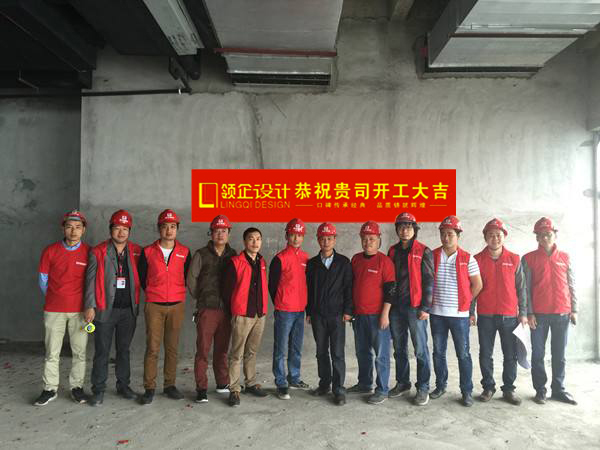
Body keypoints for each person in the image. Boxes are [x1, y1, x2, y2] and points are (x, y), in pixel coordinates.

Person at [84, 209, 142, 406]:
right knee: (102, 351)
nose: (121, 232)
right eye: (117, 228)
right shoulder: (98, 251)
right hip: (104, 309)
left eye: (125, 229)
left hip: (128, 311)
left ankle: (123, 385)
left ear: (129, 231)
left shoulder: (136, 251)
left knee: (124, 350)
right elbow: (90, 281)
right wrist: (90, 306)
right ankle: (98, 390)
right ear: (110, 230)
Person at [34, 210, 91, 406]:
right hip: (54, 309)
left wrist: (88, 306)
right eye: (69, 227)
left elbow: (92, 282)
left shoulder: (90, 252)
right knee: (52, 352)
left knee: (79, 352)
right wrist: (56, 297)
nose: (73, 231)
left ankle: (77, 388)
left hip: (80, 311)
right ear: (63, 228)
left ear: (83, 230)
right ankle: (49, 389)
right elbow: (43, 281)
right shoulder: (50, 251)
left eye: (78, 227)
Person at [138, 209, 191, 405]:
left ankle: (169, 385)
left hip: (176, 305)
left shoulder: (185, 252)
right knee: (152, 348)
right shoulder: (147, 252)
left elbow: (186, 276)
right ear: (159, 229)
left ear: (177, 229)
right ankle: (149, 387)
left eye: (173, 227)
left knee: (172, 348)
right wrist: (155, 292)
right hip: (154, 305)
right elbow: (143, 278)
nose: (169, 230)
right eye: (165, 226)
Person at [522, 217, 577, 405]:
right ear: (536, 237)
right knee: (538, 354)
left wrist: (574, 309)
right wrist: (529, 313)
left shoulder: (565, 257)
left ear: (555, 235)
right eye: (541, 235)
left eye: (548, 234)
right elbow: (526, 289)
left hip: (562, 313)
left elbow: (572, 284)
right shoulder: (528, 259)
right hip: (539, 315)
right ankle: (540, 390)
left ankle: (558, 389)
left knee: (559, 354)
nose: (545, 238)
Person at [472, 218, 527, 406]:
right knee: (485, 354)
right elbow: (473, 288)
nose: (495, 238)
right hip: (486, 315)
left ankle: (509, 389)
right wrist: (471, 312)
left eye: (498, 235)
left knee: (510, 355)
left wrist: (523, 312)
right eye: (491, 235)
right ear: (485, 237)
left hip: (509, 316)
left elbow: (521, 288)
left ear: (504, 237)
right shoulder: (477, 259)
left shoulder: (514, 259)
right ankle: (488, 387)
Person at [429, 215, 482, 407]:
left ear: (458, 235)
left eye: (450, 234)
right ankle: (440, 385)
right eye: (443, 234)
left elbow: (477, 285)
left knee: (463, 354)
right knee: (438, 352)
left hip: (459, 316)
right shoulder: (432, 256)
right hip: (437, 313)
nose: (446, 238)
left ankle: (466, 391)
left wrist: (466, 302)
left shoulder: (468, 258)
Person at [384, 212, 434, 406]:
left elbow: (429, 280)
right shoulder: (392, 251)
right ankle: (403, 383)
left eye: (408, 227)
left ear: (415, 230)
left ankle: (423, 387)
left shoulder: (424, 251)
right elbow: (389, 279)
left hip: (415, 308)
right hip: (396, 308)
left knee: (420, 349)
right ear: (397, 230)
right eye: (401, 227)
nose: (405, 231)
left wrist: (425, 307)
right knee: (399, 348)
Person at [187, 215, 237, 403]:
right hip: (207, 309)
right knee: (203, 350)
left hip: (226, 310)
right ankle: (201, 388)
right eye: (217, 231)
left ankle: (222, 382)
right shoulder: (201, 254)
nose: (220, 234)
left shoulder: (234, 255)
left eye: (224, 231)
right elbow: (191, 280)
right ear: (211, 233)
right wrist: (201, 297)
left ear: (229, 233)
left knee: (222, 349)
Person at [306, 222, 353, 406]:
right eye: (322, 238)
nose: (326, 242)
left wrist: (348, 311)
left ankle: (339, 390)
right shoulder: (312, 264)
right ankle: (324, 384)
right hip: (318, 315)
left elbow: (349, 288)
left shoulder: (343, 262)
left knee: (337, 353)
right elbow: (309, 290)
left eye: (329, 238)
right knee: (321, 352)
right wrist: (309, 311)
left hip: (337, 315)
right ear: (318, 240)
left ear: (334, 239)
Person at [222, 227, 269, 407]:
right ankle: (234, 389)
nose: (255, 242)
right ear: (244, 242)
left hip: (259, 314)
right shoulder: (235, 262)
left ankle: (250, 383)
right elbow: (227, 291)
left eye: (258, 239)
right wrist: (234, 311)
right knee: (237, 353)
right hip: (242, 314)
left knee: (252, 351)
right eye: (251, 239)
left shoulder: (262, 261)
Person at [349, 221, 395, 405]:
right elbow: (351, 286)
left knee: (381, 355)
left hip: (378, 316)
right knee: (362, 352)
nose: (368, 242)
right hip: (359, 316)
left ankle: (382, 389)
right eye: (365, 238)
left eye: (372, 239)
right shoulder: (355, 260)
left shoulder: (385, 262)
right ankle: (364, 383)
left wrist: (385, 314)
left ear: (379, 240)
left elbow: (391, 290)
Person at [269, 218, 310, 400]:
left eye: (299, 235)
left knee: (296, 347)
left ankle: (294, 378)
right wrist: (281, 302)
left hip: (300, 310)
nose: (296, 238)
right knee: (281, 349)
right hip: (284, 310)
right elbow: (272, 285)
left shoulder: (306, 258)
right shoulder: (280, 259)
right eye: (293, 234)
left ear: (303, 237)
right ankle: (281, 383)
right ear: (287, 236)